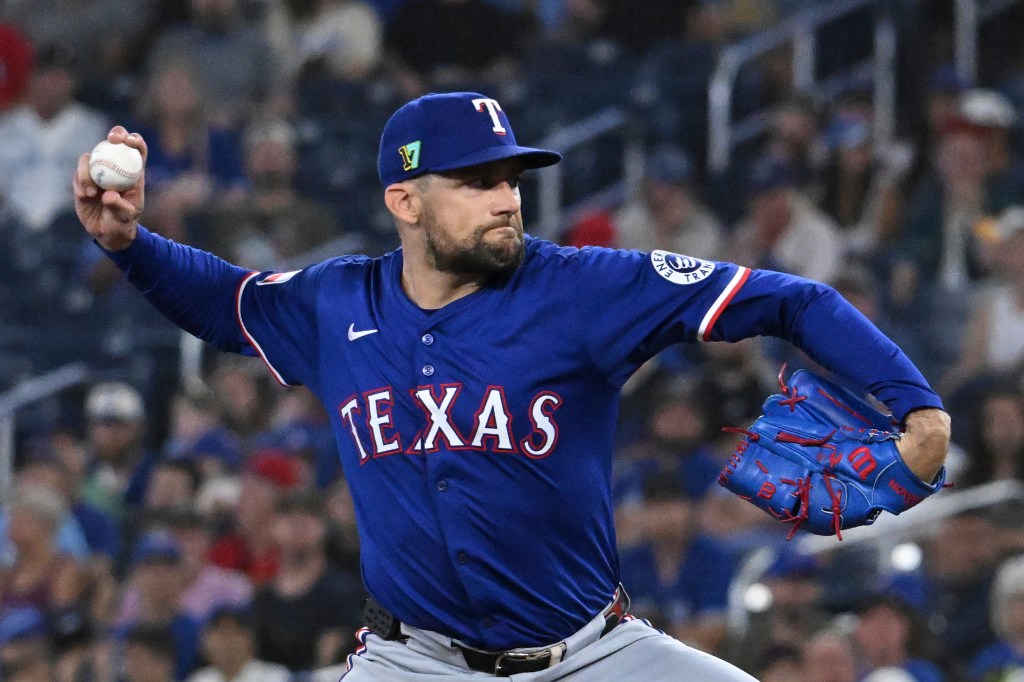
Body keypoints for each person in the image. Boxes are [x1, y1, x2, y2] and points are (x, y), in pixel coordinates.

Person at [73, 91, 950, 681]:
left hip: (592, 656)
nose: (506, 199)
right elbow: (223, 300)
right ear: (406, 202)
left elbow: (792, 299)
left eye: (510, 179)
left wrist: (915, 405)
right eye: (476, 182)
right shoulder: (336, 304)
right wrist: (129, 244)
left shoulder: (583, 287)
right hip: (412, 663)